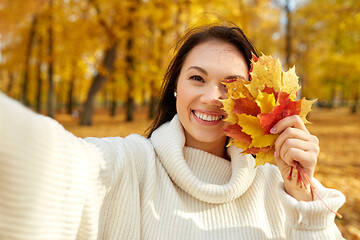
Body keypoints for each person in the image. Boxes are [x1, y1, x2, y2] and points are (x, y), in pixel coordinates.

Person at [0, 24, 345, 240]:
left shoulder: (273, 185)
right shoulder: (130, 164)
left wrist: (303, 198)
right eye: (197, 78)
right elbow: (53, 159)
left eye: (231, 86)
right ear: (176, 88)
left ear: (252, 101)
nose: (212, 97)